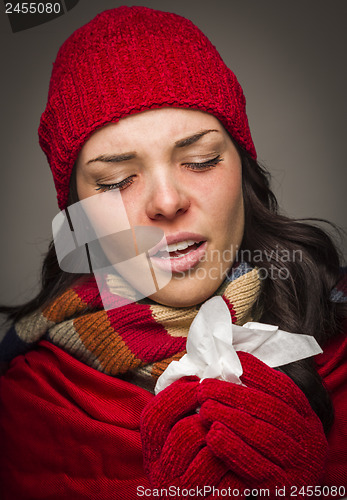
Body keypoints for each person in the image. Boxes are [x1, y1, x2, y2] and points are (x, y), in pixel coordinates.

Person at [0, 6, 346, 500]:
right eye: (117, 181)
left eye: (200, 161)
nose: (167, 202)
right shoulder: (27, 406)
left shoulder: (341, 338)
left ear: (242, 172)